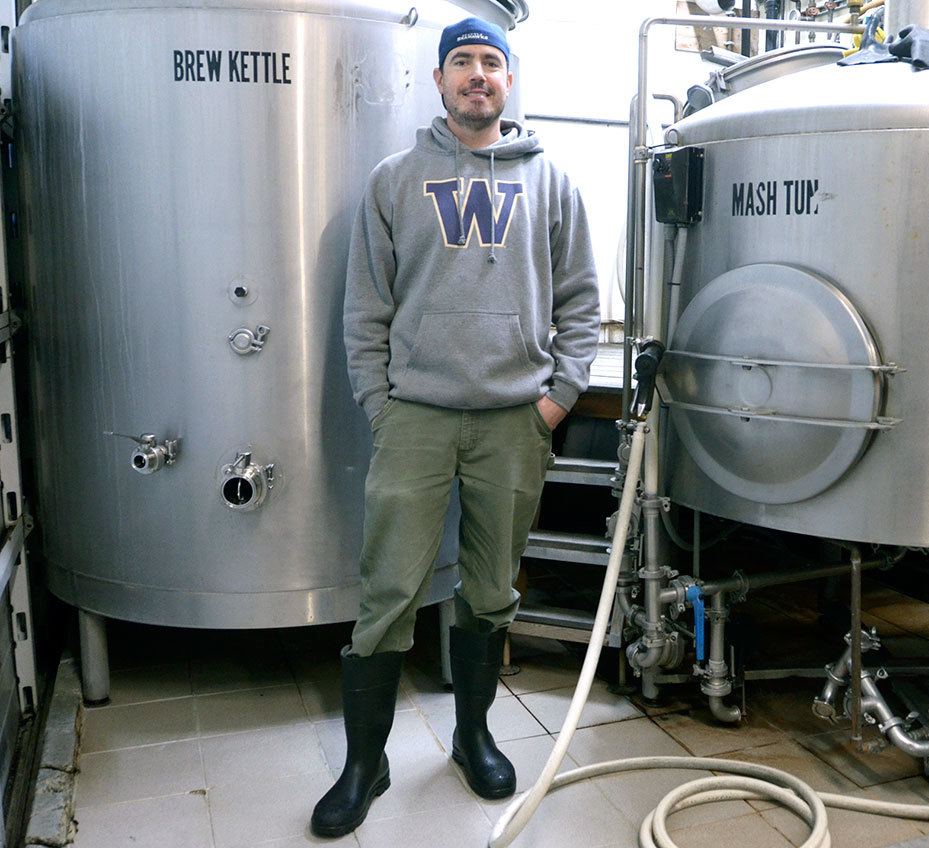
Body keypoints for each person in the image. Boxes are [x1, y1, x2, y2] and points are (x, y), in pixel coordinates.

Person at [310, 16, 601, 839]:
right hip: (417, 421)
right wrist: (380, 403)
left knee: (491, 589)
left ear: (509, 83)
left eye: (492, 64)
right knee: (388, 591)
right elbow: (365, 306)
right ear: (438, 81)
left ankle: (472, 736)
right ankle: (365, 764)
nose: (479, 76)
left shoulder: (551, 183)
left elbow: (582, 301)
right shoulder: (394, 180)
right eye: (463, 64)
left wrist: (557, 400)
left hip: (515, 421)